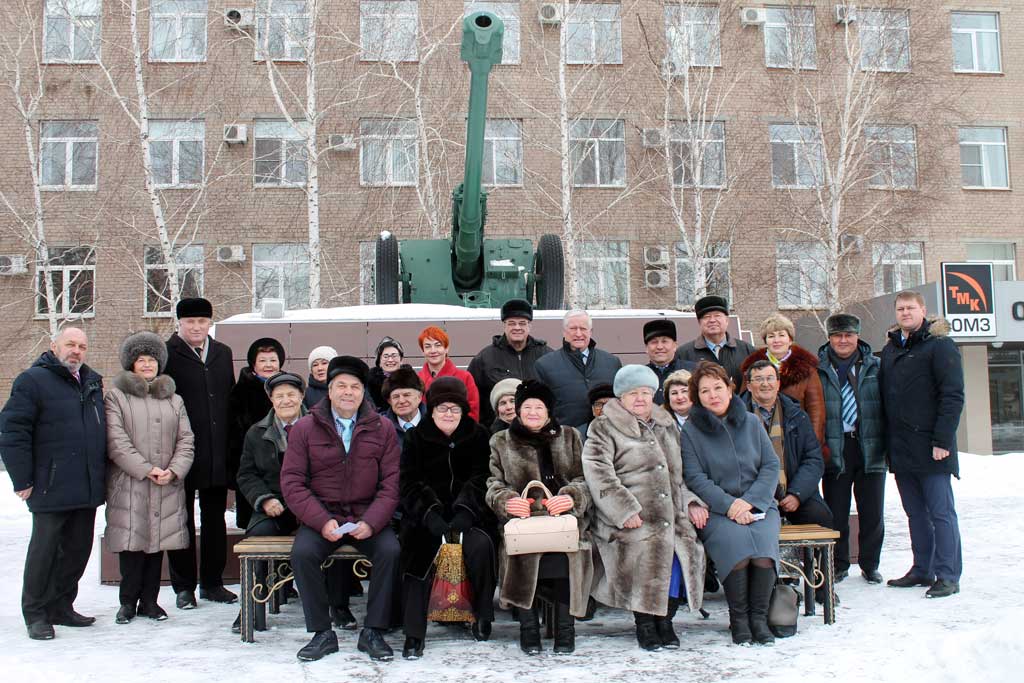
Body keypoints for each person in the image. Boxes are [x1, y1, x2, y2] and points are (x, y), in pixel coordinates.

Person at [281, 356, 401, 662]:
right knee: (303, 553)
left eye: (355, 387)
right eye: (341, 386)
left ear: (363, 392)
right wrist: (321, 521)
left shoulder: (382, 427)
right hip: (323, 517)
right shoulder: (306, 428)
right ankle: (322, 633)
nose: (348, 392)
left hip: (366, 516)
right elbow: (293, 482)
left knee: (390, 551)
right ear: (329, 391)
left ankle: (373, 630)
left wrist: (372, 522)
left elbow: (391, 484)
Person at [583, 365, 706, 652]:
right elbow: (598, 473)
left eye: (646, 392)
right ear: (621, 397)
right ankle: (645, 624)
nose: (640, 398)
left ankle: (665, 620)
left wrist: (690, 501)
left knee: (679, 555)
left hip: (672, 513)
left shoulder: (667, 425)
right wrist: (624, 511)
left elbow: (682, 473)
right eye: (633, 393)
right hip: (628, 516)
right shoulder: (603, 426)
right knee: (647, 553)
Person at [0, 327, 106, 640]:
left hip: (86, 484)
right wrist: (23, 478)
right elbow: (12, 432)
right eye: (70, 344)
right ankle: (35, 613)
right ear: (53, 345)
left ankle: (61, 605)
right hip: (50, 483)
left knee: (77, 550)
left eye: (82, 346)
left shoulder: (91, 381)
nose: (76, 351)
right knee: (44, 552)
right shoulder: (32, 381)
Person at [232, 371, 355, 633]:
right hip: (276, 507)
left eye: (291, 395)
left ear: (301, 397)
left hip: (315, 505)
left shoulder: (322, 427)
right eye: (279, 396)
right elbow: (246, 474)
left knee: (336, 535)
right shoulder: (257, 433)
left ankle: (339, 605)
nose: (286, 400)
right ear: (271, 399)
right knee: (258, 535)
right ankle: (251, 605)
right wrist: (264, 500)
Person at [487, 380, 593, 656]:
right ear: (518, 411)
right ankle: (528, 629)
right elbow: (493, 484)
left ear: (549, 411)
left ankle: (565, 630)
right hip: (523, 523)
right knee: (522, 554)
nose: (533, 412)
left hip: (564, 521)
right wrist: (508, 502)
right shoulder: (501, 441)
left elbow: (586, 479)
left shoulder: (569, 436)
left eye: (539, 407)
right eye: (527, 407)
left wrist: (571, 497)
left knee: (565, 556)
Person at [681, 362, 781, 646]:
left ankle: (759, 620)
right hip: (718, 510)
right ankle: (739, 620)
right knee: (736, 546)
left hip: (759, 504)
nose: (713, 395)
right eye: (704, 391)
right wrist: (730, 506)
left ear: (730, 388)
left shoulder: (751, 421)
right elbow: (695, 477)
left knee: (762, 548)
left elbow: (770, 465)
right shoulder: (691, 430)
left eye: (718, 388)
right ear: (697, 396)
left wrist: (750, 502)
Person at [398, 377, 498, 659]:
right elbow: (409, 482)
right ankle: (414, 633)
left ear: (464, 410)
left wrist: (466, 510)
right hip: (427, 518)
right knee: (417, 556)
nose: (449, 414)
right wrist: (430, 514)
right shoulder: (415, 437)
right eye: (443, 408)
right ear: (432, 409)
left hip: (470, 517)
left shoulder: (478, 435)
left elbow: (483, 477)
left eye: (455, 408)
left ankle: (481, 616)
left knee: (480, 548)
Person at [104, 332, 195, 625]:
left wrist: (174, 469)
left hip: (166, 482)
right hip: (131, 482)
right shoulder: (116, 396)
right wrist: (146, 469)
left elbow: (186, 440)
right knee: (132, 541)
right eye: (141, 359)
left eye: (152, 359)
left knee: (156, 542)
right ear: (131, 364)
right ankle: (127, 602)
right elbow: (116, 440)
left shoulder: (173, 399)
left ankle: (150, 601)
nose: (147, 365)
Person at [880, 291, 964, 599]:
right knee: (915, 514)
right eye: (900, 308)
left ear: (923, 310)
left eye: (910, 308)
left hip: (932, 447)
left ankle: (948, 574)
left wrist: (943, 440)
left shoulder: (940, 346)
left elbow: (953, 396)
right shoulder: (890, 350)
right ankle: (922, 569)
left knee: (940, 513)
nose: (905, 313)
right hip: (902, 449)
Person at [163, 297, 238, 609]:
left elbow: (229, 399)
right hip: (179, 452)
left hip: (216, 451)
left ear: (210, 323)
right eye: (190, 321)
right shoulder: (167, 352)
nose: (196, 327)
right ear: (179, 323)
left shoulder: (222, 353)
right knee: (179, 519)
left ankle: (212, 582)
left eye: (202, 321)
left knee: (214, 518)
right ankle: (183, 587)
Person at [817, 313, 887, 584]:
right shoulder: (819, 368)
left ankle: (870, 564)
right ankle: (840, 563)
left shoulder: (876, 366)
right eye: (837, 335)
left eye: (848, 335)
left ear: (857, 336)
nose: (843, 340)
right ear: (830, 338)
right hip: (835, 446)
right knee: (836, 511)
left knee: (872, 511)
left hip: (870, 444)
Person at [742, 360, 832, 529]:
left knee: (820, 516)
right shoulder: (736, 417)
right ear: (748, 386)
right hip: (750, 495)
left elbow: (813, 459)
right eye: (758, 379)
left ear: (778, 384)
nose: (765, 384)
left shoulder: (797, 415)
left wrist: (796, 494)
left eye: (770, 378)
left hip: (791, 489)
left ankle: (817, 557)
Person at [740, 313, 826, 445]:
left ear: (790, 339)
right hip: (758, 436)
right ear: (765, 341)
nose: (776, 340)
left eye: (781, 335)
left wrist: (812, 443)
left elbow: (816, 411)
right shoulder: (752, 368)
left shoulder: (807, 369)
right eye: (771, 336)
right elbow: (743, 403)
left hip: (796, 437)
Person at [229, 337, 286, 530]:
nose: (268, 365)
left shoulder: (289, 389)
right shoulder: (240, 392)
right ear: (254, 364)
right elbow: (233, 437)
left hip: (285, 473)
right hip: (253, 470)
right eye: (263, 360)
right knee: (257, 526)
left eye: (273, 360)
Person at [468, 299, 553, 425]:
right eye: (512, 323)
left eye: (522, 323)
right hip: (499, 433)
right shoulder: (485, 358)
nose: (517, 327)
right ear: (504, 325)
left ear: (529, 326)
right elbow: (472, 397)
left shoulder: (546, 355)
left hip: (539, 431)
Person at [534, 310, 621, 427]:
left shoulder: (612, 362)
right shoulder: (544, 365)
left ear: (591, 332)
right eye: (573, 328)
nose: (578, 334)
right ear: (564, 332)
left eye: (583, 329)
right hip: (565, 438)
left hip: (606, 436)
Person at [676, 295, 755, 391]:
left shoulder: (746, 350)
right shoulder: (684, 354)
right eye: (706, 317)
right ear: (699, 323)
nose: (712, 320)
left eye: (717, 315)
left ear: (727, 320)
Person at [416, 326, 481, 421]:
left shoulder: (465, 377)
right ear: (423, 351)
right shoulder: (417, 380)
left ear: (446, 349)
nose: (433, 350)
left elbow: (472, 413)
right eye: (427, 346)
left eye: (438, 345)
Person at [642, 319, 696, 404]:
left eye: (664, 341)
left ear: (675, 346)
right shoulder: (640, 376)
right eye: (654, 342)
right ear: (646, 348)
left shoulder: (693, 371)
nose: (659, 347)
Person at [381, 367, 427, 449]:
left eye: (407, 395)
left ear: (419, 397)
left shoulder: (436, 422)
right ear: (389, 401)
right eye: (396, 397)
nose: (401, 401)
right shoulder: (380, 427)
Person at [368, 337, 412, 412]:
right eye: (386, 356)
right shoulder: (369, 383)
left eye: (394, 356)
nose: (390, 360)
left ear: (401, 360)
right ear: (379, 362)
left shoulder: (411, 379)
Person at [304, 345, 336, 409]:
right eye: (315, 365)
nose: (320, 368)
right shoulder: (306, 394)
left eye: (324, 363)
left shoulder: (344, 390)